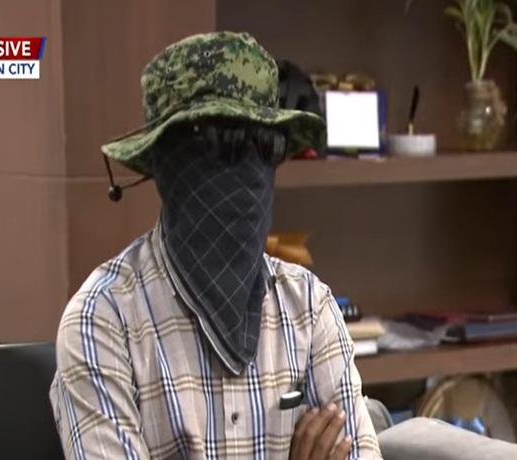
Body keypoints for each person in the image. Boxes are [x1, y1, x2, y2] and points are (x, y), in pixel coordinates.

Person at [49, 32, 381, 459]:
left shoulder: (309, 307)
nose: (248, 171)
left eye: (266, 146)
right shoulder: (104, 321)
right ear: (167, 163)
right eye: (222, 145)